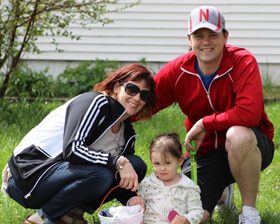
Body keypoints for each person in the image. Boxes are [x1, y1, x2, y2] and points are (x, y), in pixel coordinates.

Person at [153, 5, 275, 224]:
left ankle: (249, 214)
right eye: (198, 36)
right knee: (189, 217)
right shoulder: (177, 70)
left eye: (213, 35)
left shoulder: (242, 61)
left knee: (237, 134)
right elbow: (144, 102)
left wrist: (205, 123)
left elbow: (249, 114)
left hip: (251, 145)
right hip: (204, 152)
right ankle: (223, 195)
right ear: (189, 40)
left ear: (225, 36)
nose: (206, 42)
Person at [1, 64, 158, 224]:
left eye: (145, 95)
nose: (137, 98)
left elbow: (120, 177)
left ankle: (69, 214)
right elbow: (73, 150)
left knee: (136, 165)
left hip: (58, 177)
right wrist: (118, 162)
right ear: (117, 87)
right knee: (101, 175)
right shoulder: (96, 103)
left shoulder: (127, 132)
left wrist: (131, 198)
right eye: (132, 89)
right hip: (27, 177)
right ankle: (42, 218)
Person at [128, 133, 203, 224]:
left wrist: (186, 219)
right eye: (157, 163)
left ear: (180, 161)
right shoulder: (148, 183)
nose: (162, 168)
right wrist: (134, 201)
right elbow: (141, 205)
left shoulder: (188, 186)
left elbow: (197, 212)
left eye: (167, 163)